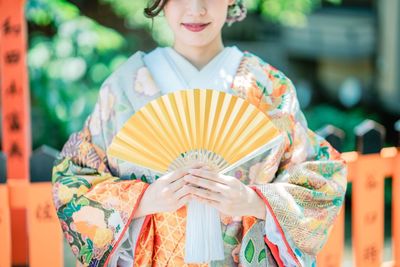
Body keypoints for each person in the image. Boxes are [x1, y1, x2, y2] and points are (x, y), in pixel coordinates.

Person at [51, 0, 347, 266]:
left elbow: (319, 182)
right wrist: (145, 199)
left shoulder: (268, 89)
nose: (195, 8)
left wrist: (253, 201)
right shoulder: (124, 89)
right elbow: (75, 181)